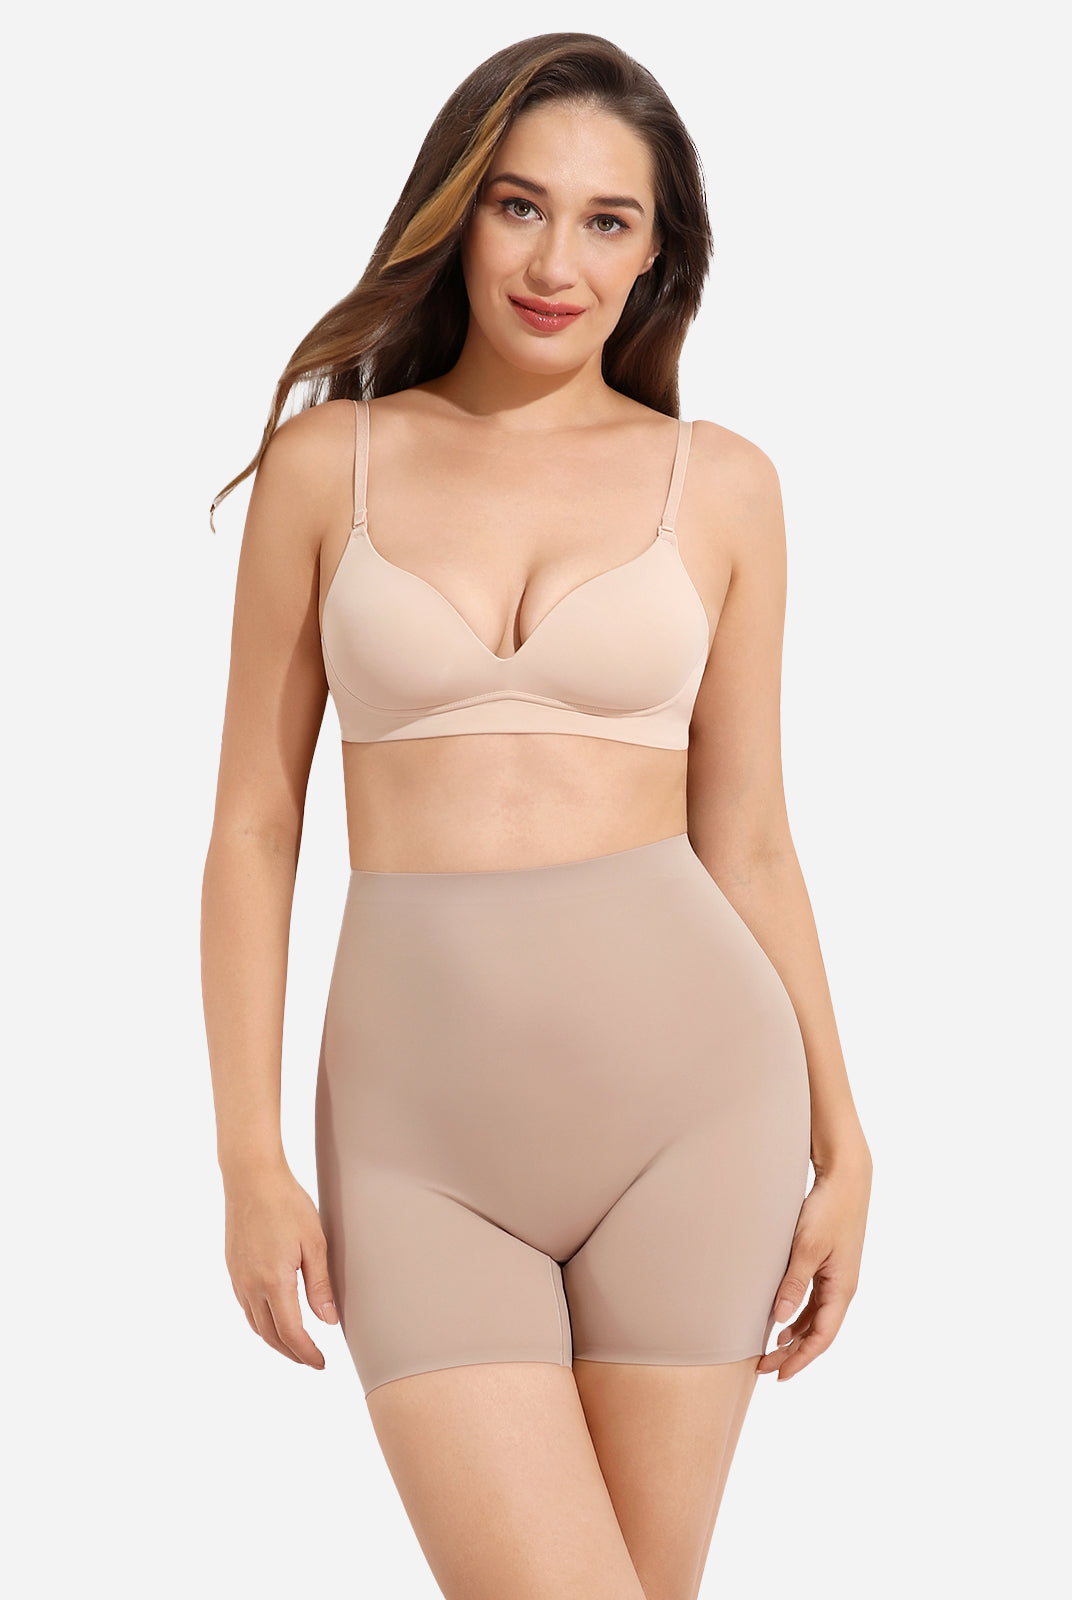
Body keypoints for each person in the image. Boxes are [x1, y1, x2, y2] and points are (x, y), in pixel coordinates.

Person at [201, 30, 872, 1600]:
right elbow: (252, 824)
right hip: (418, 1146)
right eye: (518, 205)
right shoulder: (328, 466)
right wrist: (247, 1156)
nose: (556, 262)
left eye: (606, 220)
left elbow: (752, 837)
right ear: (456, 213)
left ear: (657, 256)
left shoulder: (722, 486)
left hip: (697, 1117)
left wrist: (846, 1142)